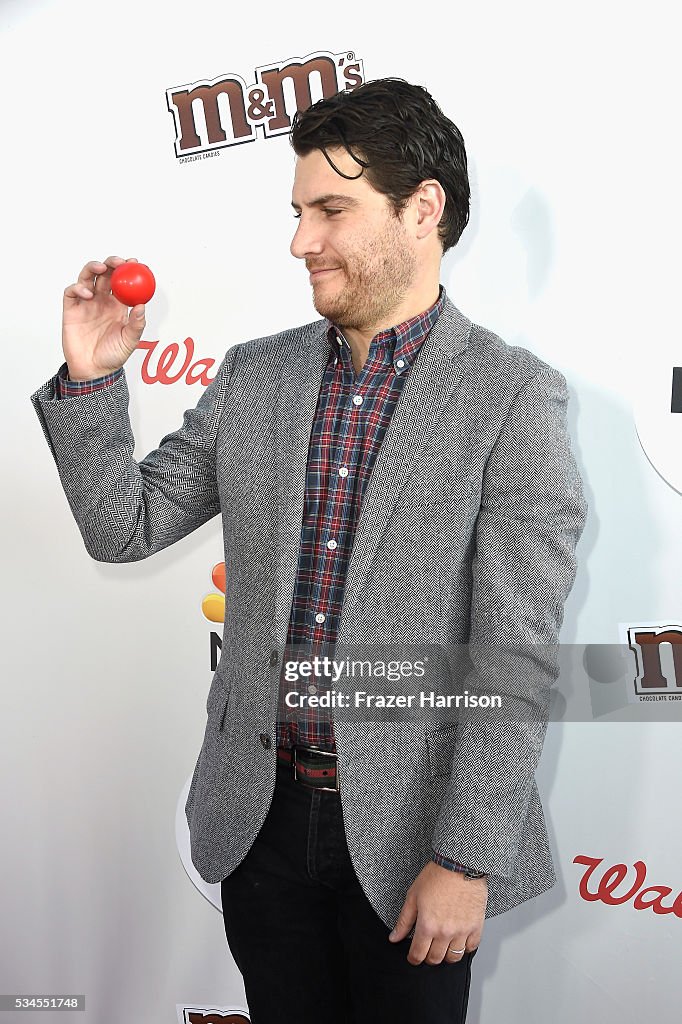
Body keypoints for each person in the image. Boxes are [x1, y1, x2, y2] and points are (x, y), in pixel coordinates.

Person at [30, 78, 588, 1024]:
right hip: (261, 828)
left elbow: (513, 657)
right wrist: (91, 382)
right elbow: (125, 528)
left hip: (413, 845)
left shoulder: (512, 397)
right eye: (297, 213)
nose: (300, 242)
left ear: (424, 210)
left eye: (332, 210)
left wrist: (464, 857)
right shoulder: (255, 374)